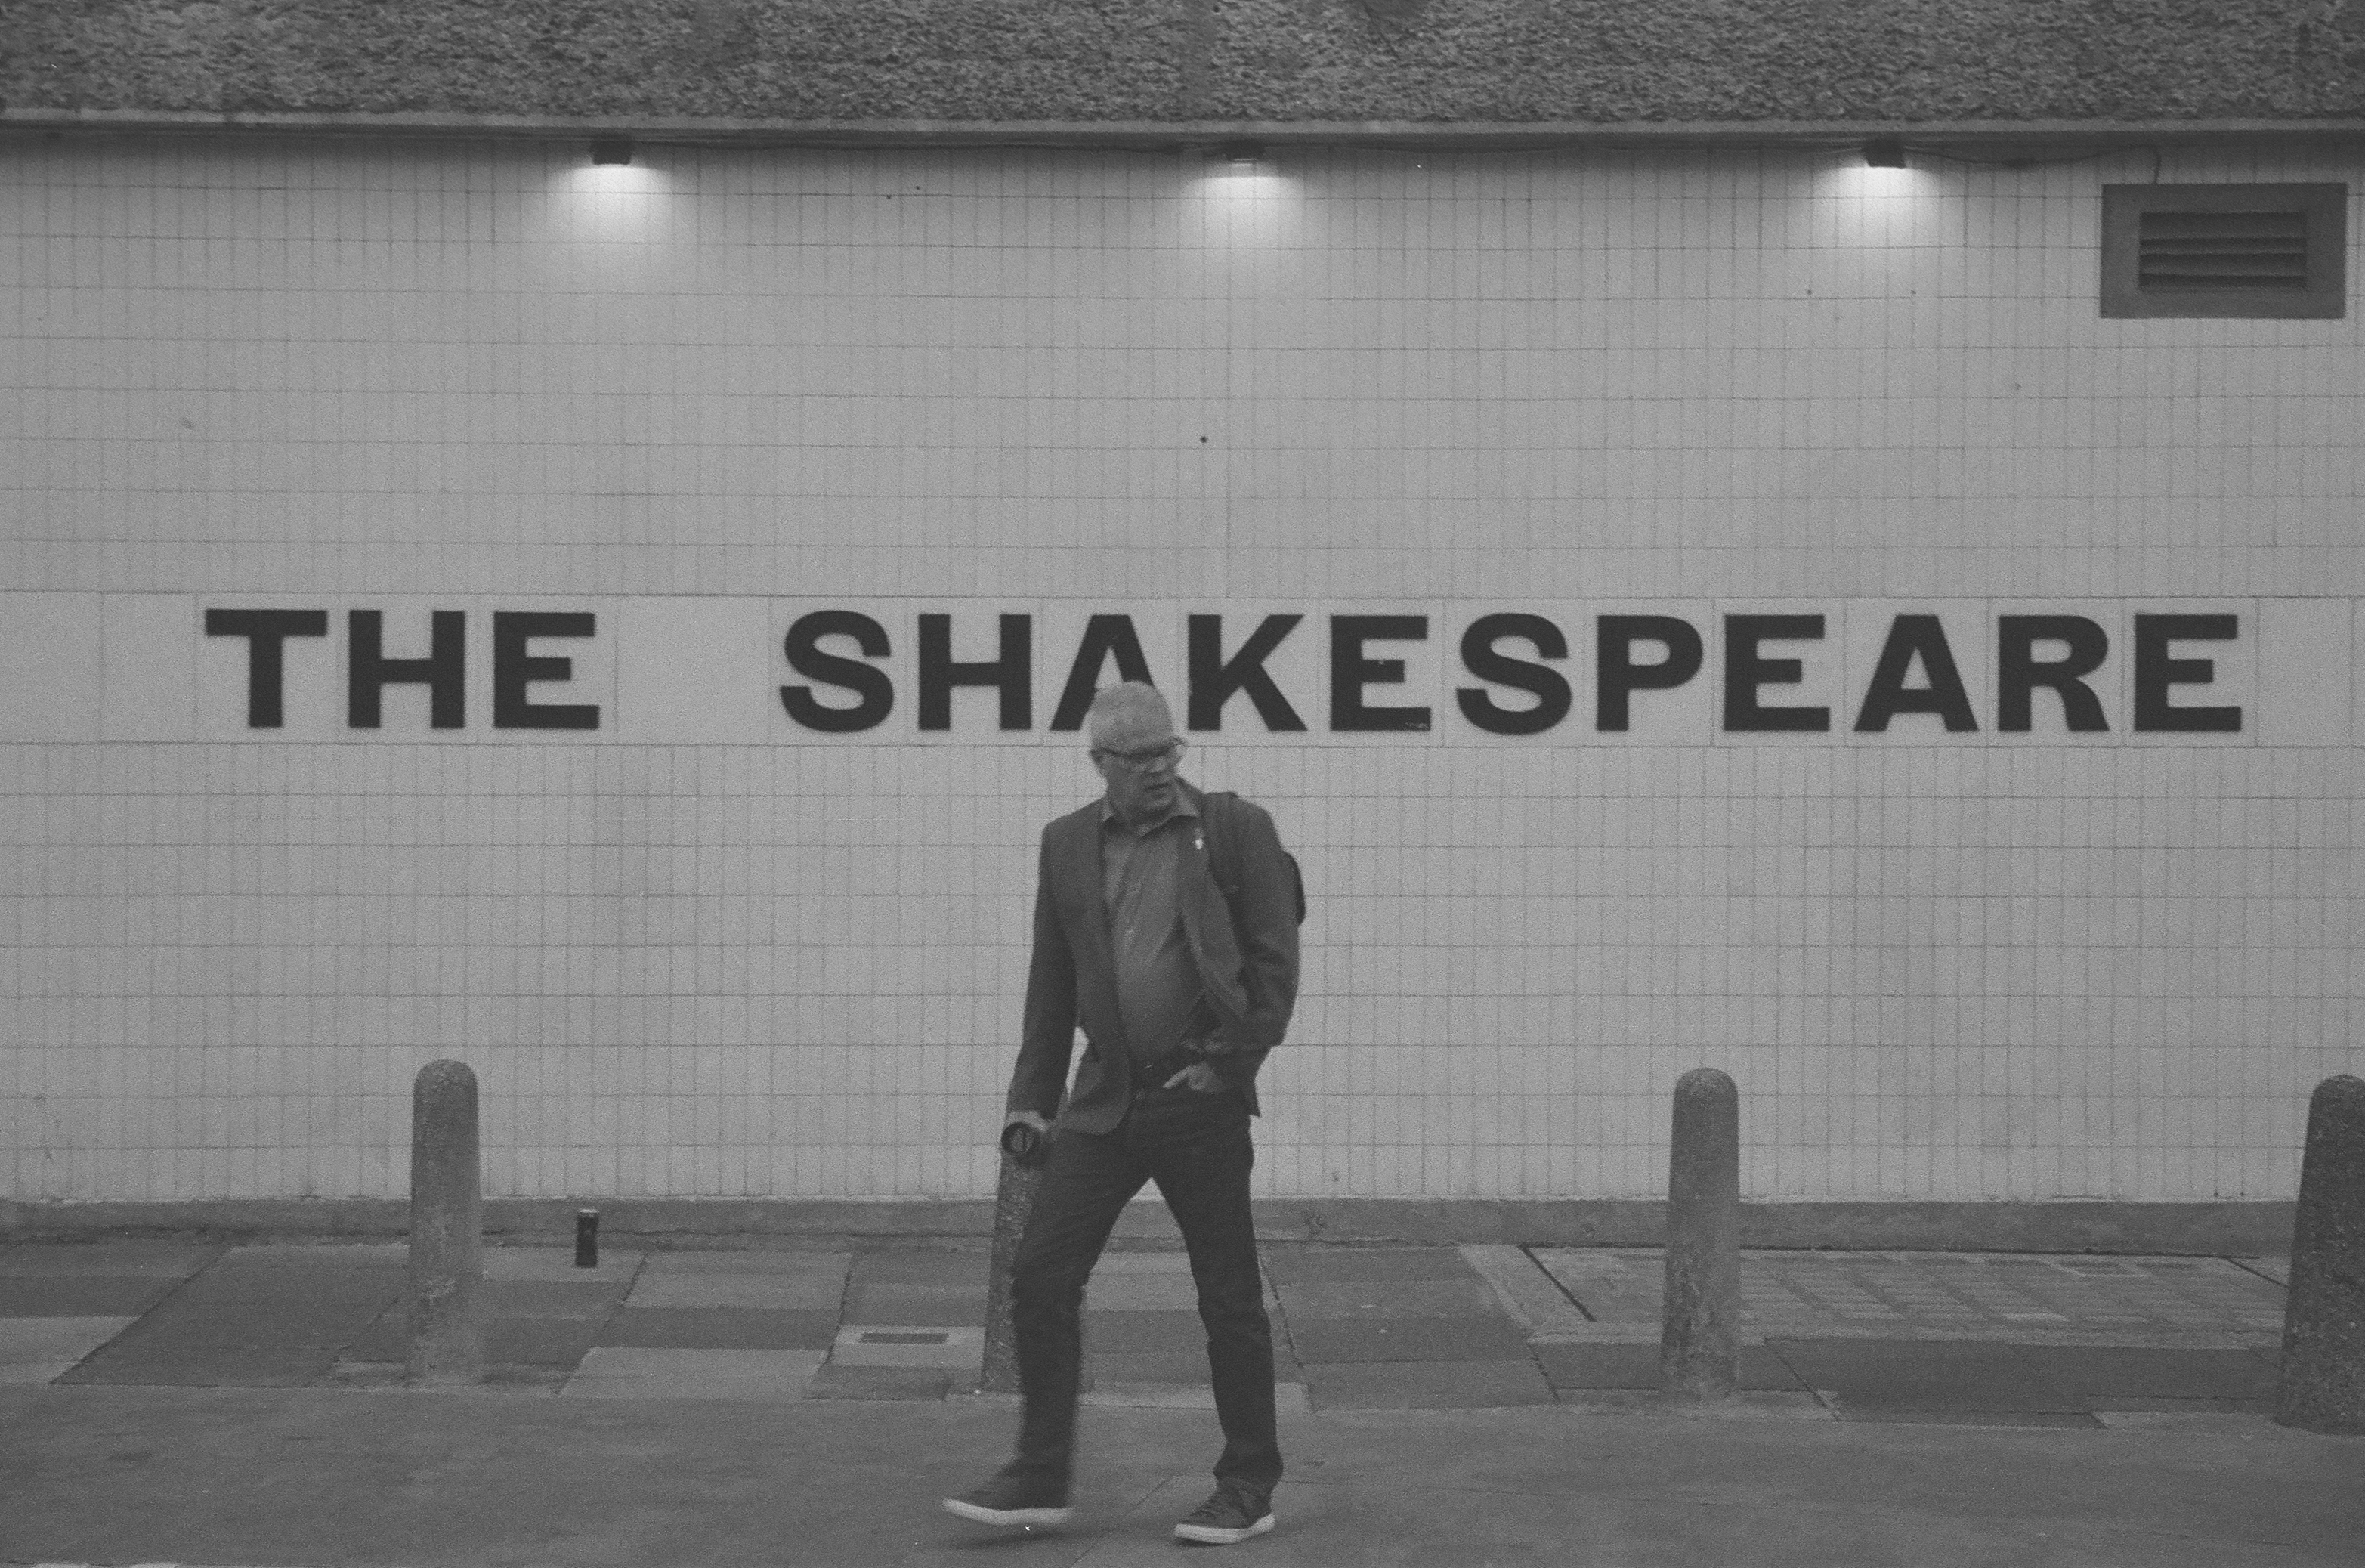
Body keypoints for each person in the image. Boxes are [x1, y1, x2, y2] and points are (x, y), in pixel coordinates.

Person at [943, 680, 1301, 1546]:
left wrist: (1229, 1065)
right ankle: (1039, 1472)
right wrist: (1031, 1099)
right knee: (1040, 1273)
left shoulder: (1233, 829)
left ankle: (1247, 1482)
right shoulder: (1066, 843)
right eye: (1136, 756)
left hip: (1198, 1100)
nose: (1157, 768)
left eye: (1166, 750)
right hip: (1103, 1099)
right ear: (1099, 761)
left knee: (1227, 1295)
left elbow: (1274, 961)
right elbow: (1050, 978)